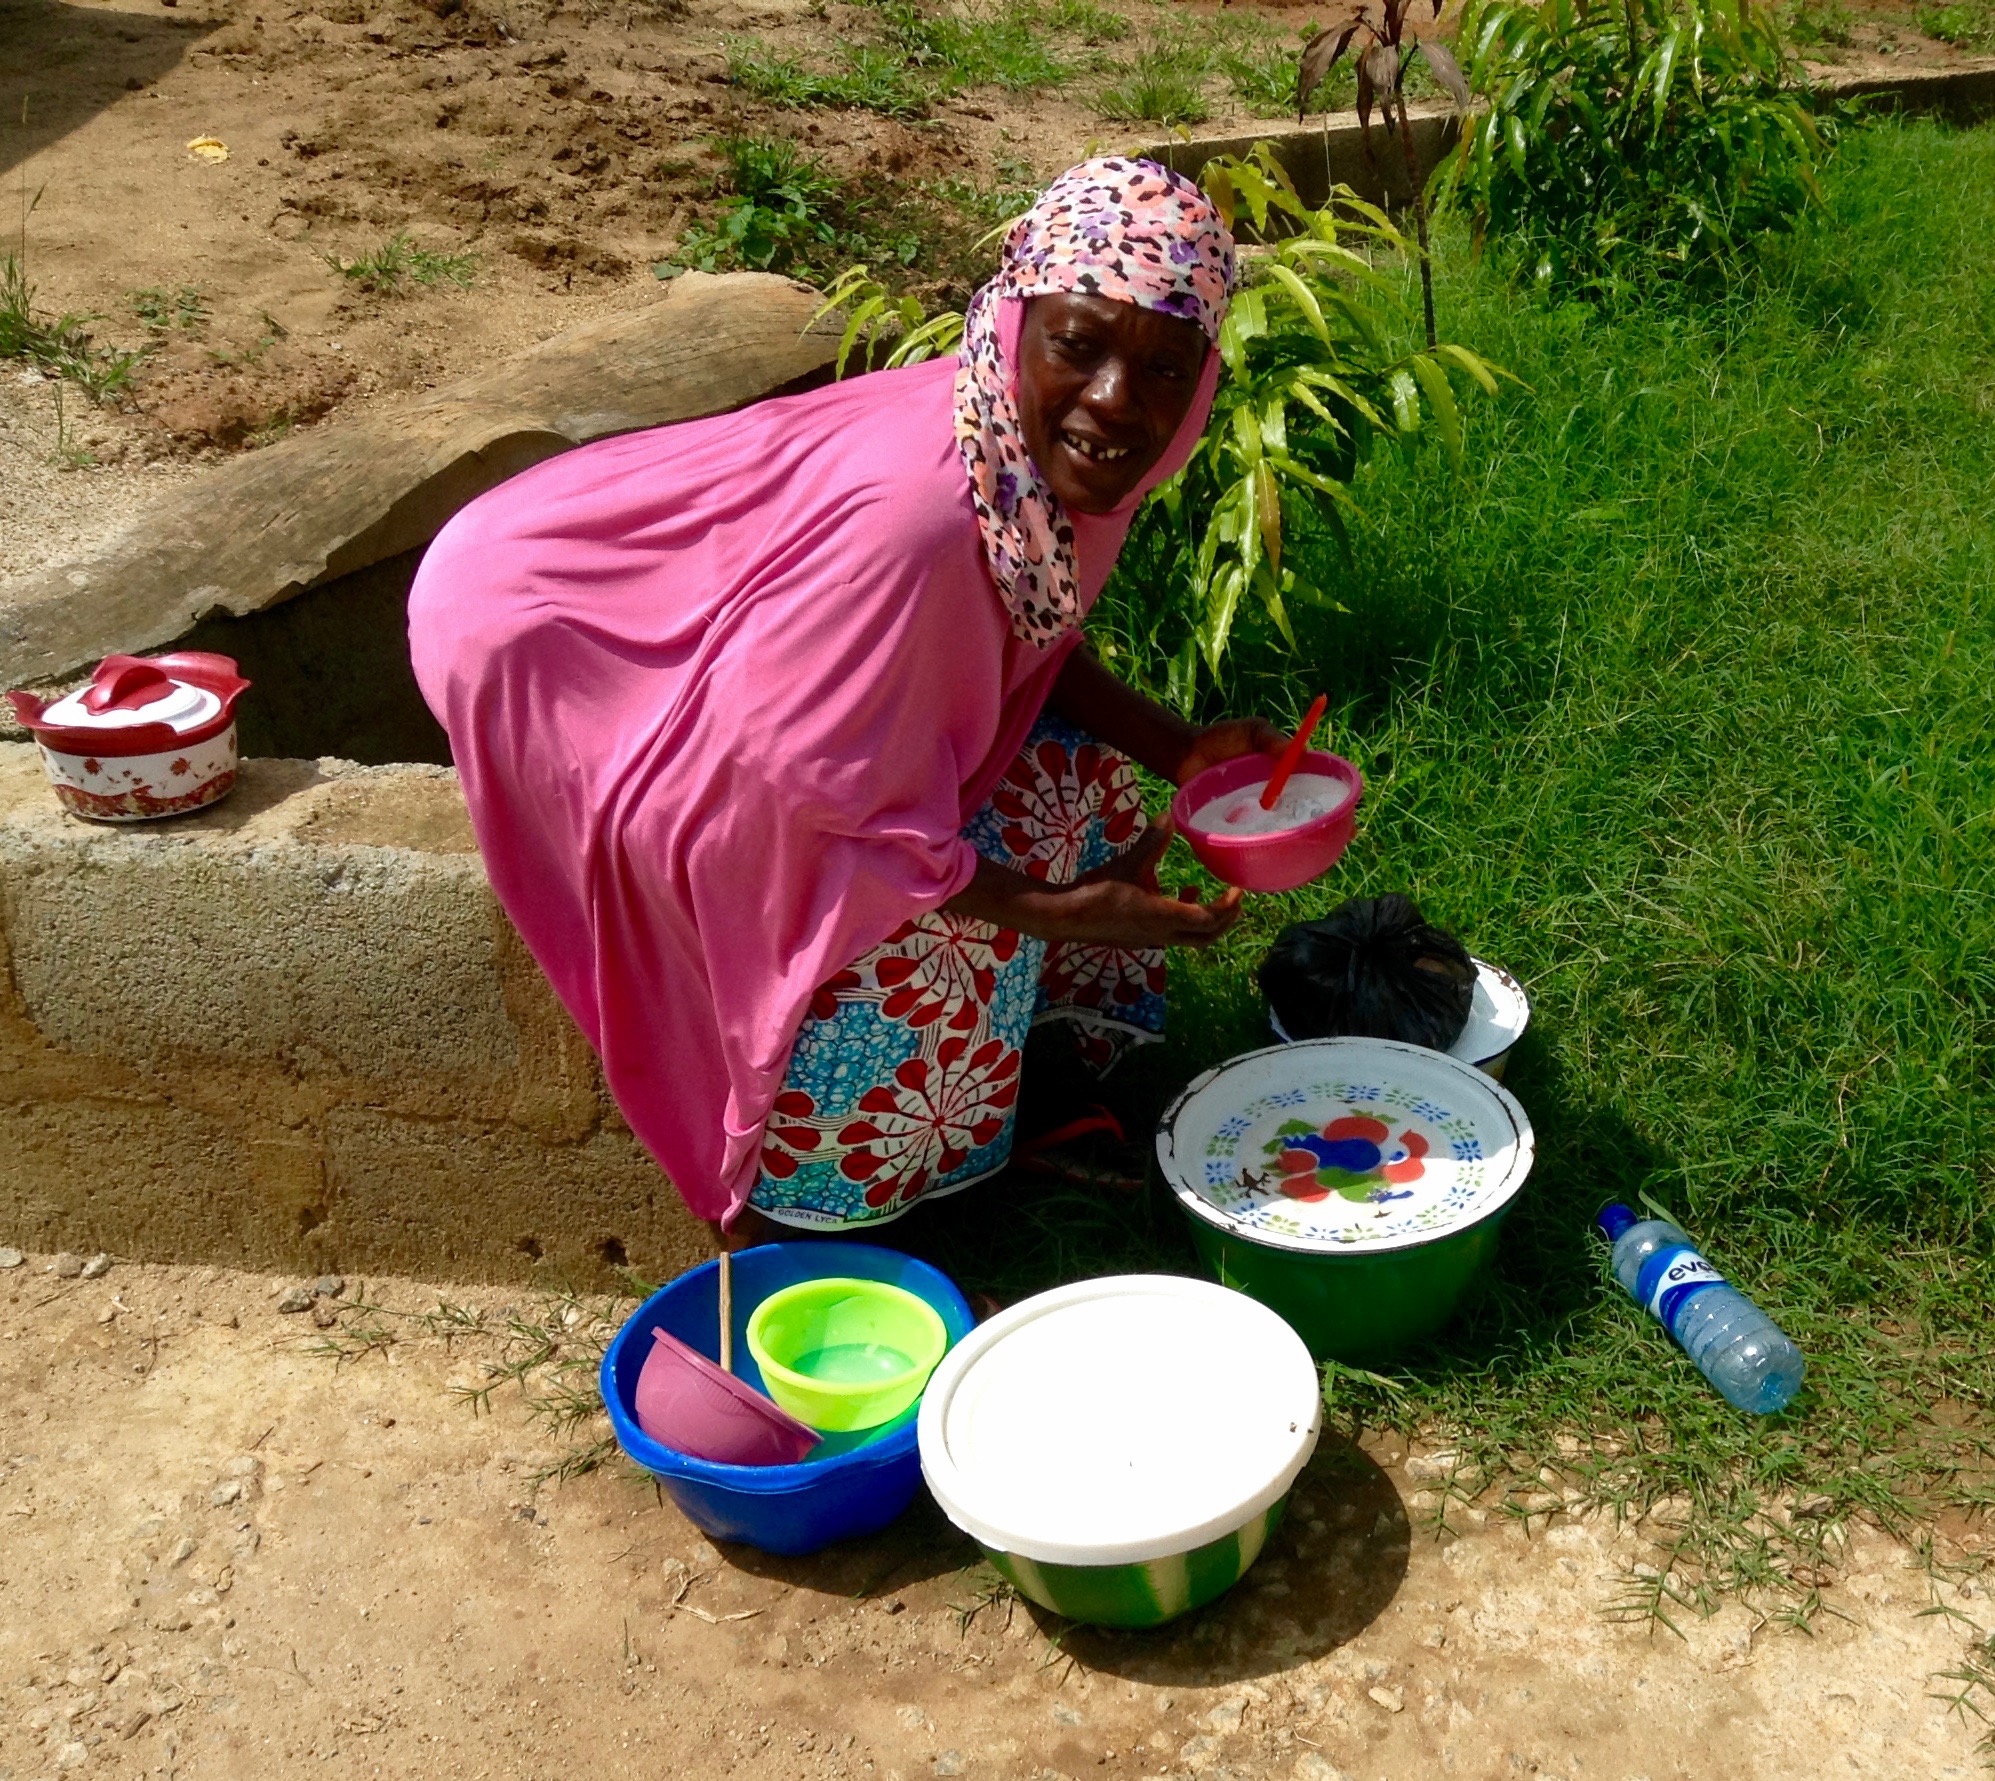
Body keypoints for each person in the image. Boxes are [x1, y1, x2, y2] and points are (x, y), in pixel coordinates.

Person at [408, 156, 1283, 1243]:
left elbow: (1026, 636)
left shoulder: (1028, 456)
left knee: (1071, 780)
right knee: (925, 941)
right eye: (1079, 344)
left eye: (1162, 369)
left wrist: (1180, 744)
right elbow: (778, 806)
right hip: (547, 632)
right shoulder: (919, 527)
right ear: (1017, 325)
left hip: (718, 623)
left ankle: (1037, 1074)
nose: (1116, 402)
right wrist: (1056, 910)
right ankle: (857, 1220)